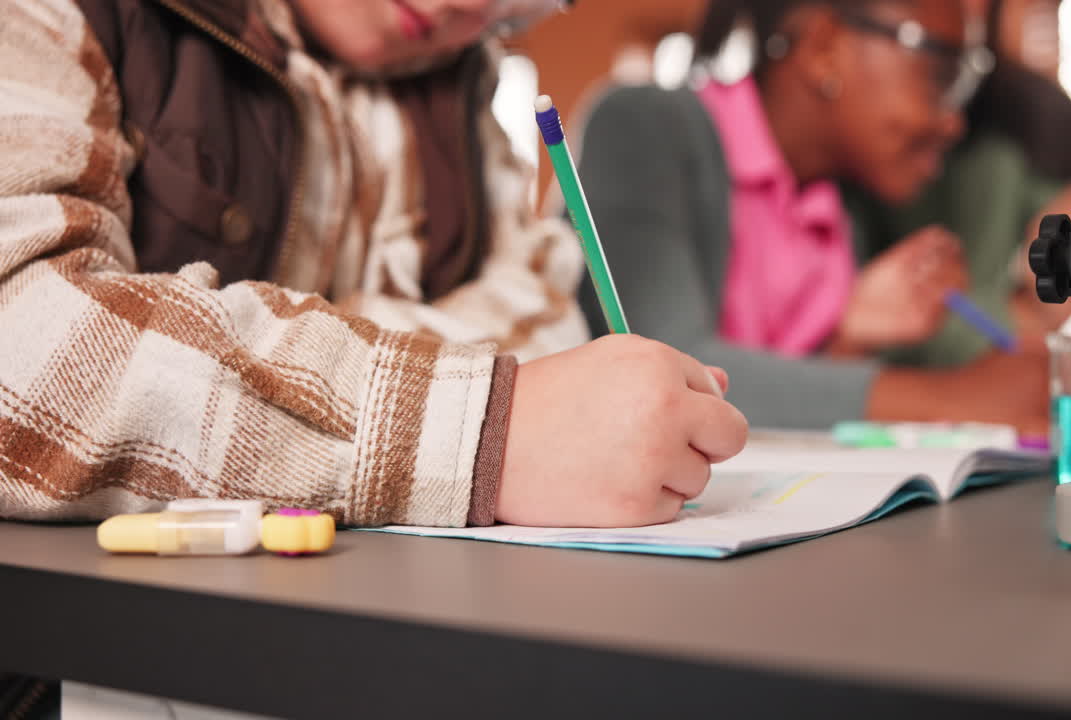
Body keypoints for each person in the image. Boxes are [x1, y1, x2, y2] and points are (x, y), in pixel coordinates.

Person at [0, 0, 748, 529]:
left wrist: (246, 350)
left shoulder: (462, 89)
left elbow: (547, 327)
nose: (468, 6)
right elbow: (22, 341)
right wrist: (483, 424)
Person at [576, 0, 1049, 433]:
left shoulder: (843, 204)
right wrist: (955, 396)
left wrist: (849, 341)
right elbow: (668, 371)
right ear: (824, 48)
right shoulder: (643, 127)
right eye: (942, 72)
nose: (953, 121)